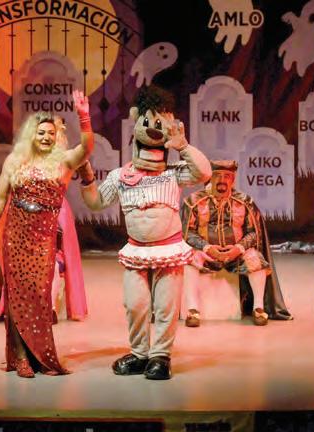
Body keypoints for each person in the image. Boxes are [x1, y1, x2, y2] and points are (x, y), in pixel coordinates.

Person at [80, 86, 211, 380]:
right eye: (148, 122)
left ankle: (160, 356)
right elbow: (96, 202)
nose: (153, 130)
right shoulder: (121, 176)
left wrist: (183, 146)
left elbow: (204, 173)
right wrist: (87, 178)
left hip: (168, 250)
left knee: (165, 306)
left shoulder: (174, 172)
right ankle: (140, 354)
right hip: (137, 251)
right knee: (135, 305)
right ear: (136, 122)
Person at [0, 90, 94, 378]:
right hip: (15, 235)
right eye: (41, 132)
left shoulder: (64, 162)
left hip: (43, 239)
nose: (46, 137)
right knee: (16, 295)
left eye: (51, 133)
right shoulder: (15, 161)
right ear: (31, 135)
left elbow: (86, 149)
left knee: (39, 297)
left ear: (57, 137)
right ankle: (20, 358)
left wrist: (84, 117)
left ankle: (41, 356)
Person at [181, 160, 292, 327]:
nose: (222, 180)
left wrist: (237, 248)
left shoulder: (245, 201)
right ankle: (193, 310)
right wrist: (207, 248)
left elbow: (254, 232)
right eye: (218, 176)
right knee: (189, 259)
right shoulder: (193, 201)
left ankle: (258, 308)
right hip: (205, 254)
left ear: (233, 179)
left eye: (227, 176)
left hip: (236, 255)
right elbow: (187, 232)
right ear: (210, 178)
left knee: (255, 258)